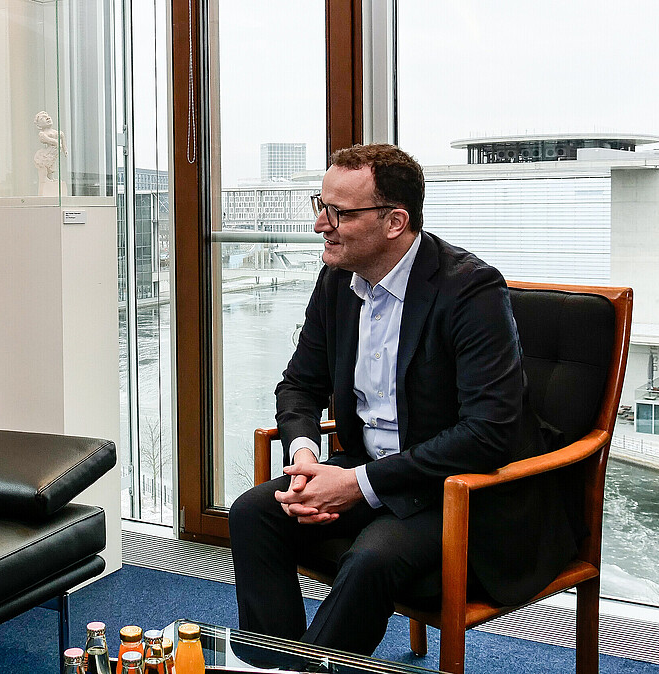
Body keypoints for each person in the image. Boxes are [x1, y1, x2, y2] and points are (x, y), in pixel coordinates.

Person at [228, 144, 577, 655]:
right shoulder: (337, 280)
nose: (321, 225)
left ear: (395, 221)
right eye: (320, 206)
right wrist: (305, 457)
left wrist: (356, 484)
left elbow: (487, 433)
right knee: (252, 513)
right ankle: (274, 661)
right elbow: (299, 384)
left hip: (458, 489)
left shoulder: (472, 291)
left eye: (339, 213)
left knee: (371, 560)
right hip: (369, 469)